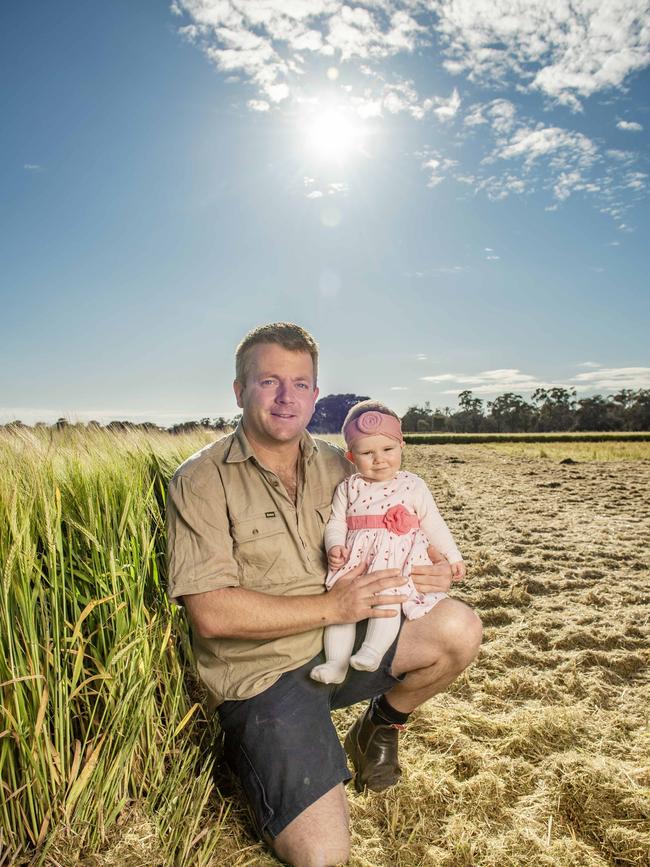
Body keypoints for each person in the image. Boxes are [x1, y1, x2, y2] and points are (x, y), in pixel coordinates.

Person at [166, 322, 482, 867]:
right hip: (261, 678)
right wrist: (334, 607)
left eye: (301, 383)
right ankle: (260, 749)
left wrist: (433, 569)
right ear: (240, 391)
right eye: (269, 381)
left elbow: (401, 531)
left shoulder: (342, 466)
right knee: (324, 856)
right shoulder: (200, 479)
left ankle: (379, 725)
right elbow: (211, 613)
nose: (287, 397)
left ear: (315, 392)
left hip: (341, 646)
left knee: (459, 629)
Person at [310, 400, 466, 686]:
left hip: (396, 561)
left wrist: (452, 556)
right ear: (351, 456)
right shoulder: (349, 487)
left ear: (402, 446)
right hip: (357, 560)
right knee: (340, 611)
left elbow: (433, 523)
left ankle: (372, 651)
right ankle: (336, 663)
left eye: (387, 450)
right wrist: (335, 546)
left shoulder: (412, 485)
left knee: (388, 602)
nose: (379, 459)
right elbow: (337, 522)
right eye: (367, 453)